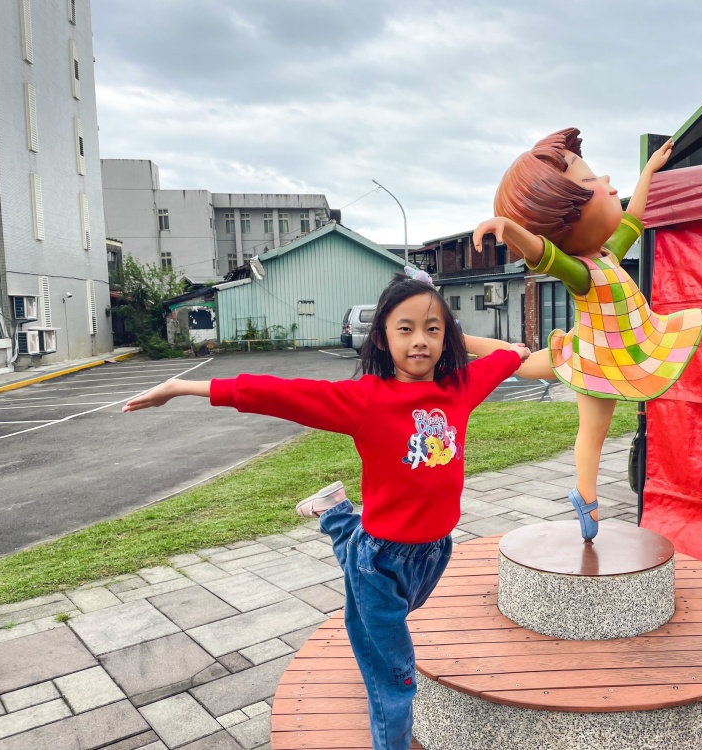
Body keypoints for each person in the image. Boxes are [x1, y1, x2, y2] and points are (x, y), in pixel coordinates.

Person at [123, 271, 529, 750]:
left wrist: (518, 352)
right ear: (382, 336)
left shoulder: (459, 388)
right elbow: (277, 394)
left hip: (435, 553)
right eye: (406, 328)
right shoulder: (366, 400)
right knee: (394, 682)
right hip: (379, 562)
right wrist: (181, 387)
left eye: (433, 328)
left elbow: (508, 356)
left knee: (389, 624)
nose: (420, 340)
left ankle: (336, 514)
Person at [465, 128, 702, 542]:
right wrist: (511, 227)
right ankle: (585, 496)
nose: (607, 182)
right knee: (590, 429)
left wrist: (648, 170)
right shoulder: (580, 274)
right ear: (564, 212)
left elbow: (636, 216)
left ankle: (460, 341)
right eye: (590, 180)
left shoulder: (609, 253)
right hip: (596, 363)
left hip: (601, 350)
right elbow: (543, 254)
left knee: (518, 360)